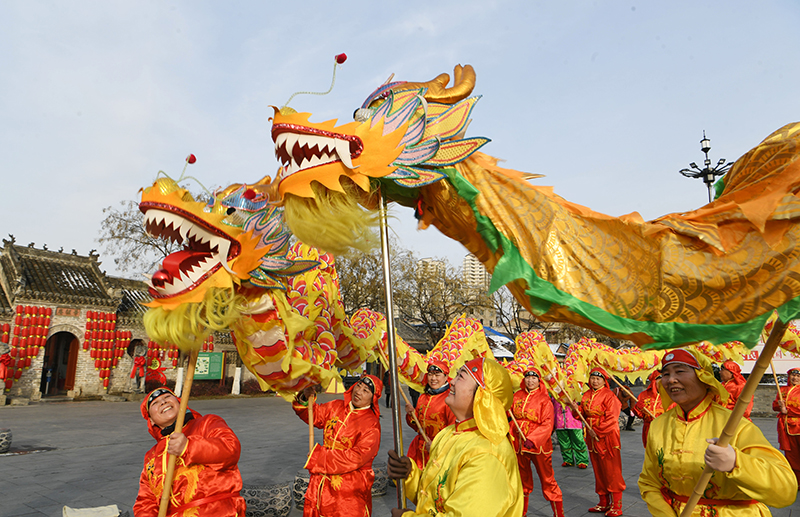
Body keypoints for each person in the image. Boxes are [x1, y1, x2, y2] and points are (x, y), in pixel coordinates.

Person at [639, 348, 797, 515]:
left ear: (703, 377)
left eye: (679, 371)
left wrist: (736, 463)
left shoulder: (735, 426)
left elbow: (786, 490)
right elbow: (649, 482)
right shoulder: (658, 425)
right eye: (665, 374)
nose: (671, 380)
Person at [387, 356, 523, 517]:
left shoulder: (487, 454)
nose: (451, 381)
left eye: (461, 376)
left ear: (482, 395)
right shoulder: (449, 433)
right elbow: (436, 497)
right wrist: (410, 475)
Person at [133, 387, 246, 517]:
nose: (163, 402)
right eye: (155, 403)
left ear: (180, 402)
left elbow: (231, 450)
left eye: (167, 397)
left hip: (217, 511)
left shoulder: (207, 423)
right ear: (151, 420)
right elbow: (145, 500)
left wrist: (189, 447)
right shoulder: (151, 456)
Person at [293, 374, 382, 517]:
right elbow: (314, 415)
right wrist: (305, 398)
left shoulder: (371, 424)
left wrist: (320, 457)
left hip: (349, 488)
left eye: (366, 391)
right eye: (358, 385)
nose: (359, 392)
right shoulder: (335, 406)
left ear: (373, 398)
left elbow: (357, 457)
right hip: (322, 482)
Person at [572, 367, 626, 516]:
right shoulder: (587, 394)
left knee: (612, 470)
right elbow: (581, 414)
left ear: (604, 380)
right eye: (592, 378)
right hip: (592, 436)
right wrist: (575, 408)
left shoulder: (609, 396)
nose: (594, 381)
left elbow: (612, 418)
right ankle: (603, 502)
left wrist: (597, 430)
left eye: (598, 379)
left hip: (607, 436)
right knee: (598, 469)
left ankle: (617, 504)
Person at [511, 368, 564, 517]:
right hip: (520, 444)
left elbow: (548, 423)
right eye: (527, 378)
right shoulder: (517, 396)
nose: (530, 381)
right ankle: (521, 511)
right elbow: (511, 415)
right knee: (522, 478)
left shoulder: (544, 399)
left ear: (539, 381)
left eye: (534, 378)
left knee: (547, 479)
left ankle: (558, 513)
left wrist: (533, 439)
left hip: (538, 445)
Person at [404, 361, 456, 469]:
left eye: (437, 375)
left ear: (446, 377)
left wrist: (436, 446)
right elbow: (417, 427)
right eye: (431, 375)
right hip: (419, 450)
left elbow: (454, 430)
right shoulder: (423, 397)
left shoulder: (449, 399)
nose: (433, 379)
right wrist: (411, 414)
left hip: (439, 452)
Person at [773, 367, 800, 490]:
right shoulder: (782, 390)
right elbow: (775, 406)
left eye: (798, 376)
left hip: (798, 426)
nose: (795, 378)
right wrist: (779, 405)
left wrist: (787, 410)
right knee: (791, 455)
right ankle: (795, 481)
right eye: (793, 375)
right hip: (785, 427)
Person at [552, 394, 589, 469]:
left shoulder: (574, 389)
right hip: (559, 421)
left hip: (574, 421)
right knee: (564, 442)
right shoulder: (553, 392)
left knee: (578, 441)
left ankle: (582, 460)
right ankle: (568, 459)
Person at [633, 370, 666, 447]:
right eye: (660, 381)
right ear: (654, 382)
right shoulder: (644, 395)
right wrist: (638, 408)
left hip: (665, 429)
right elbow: (639, 415)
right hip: (649, 429)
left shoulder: (672, 396)